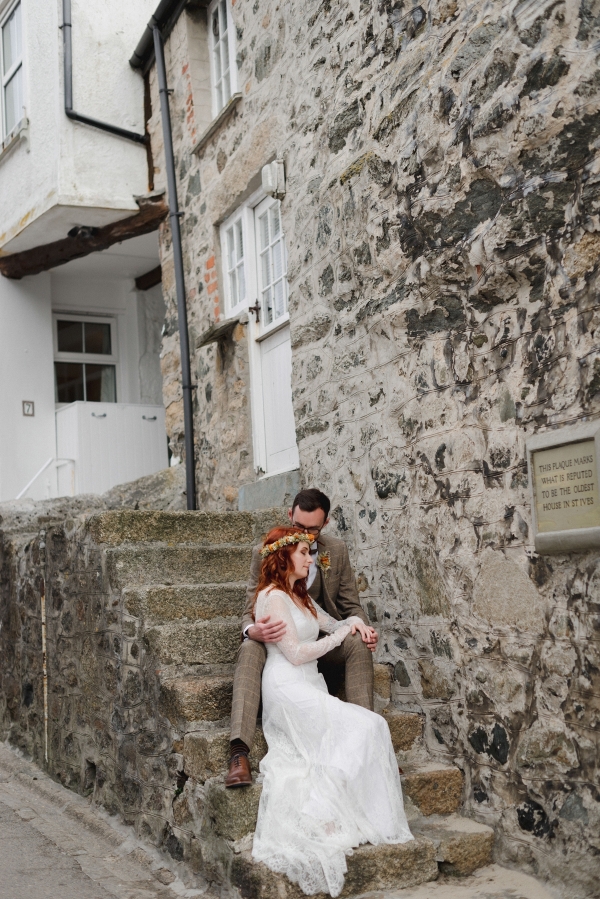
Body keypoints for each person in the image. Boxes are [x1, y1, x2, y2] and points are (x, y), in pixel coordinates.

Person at [250, 527, 413, 897]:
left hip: (309, 684)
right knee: (369, 726)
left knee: (369, 727)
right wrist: (341, 638)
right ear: (284, 557)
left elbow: (333, 622)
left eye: (310, 553)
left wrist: (356, 625)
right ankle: (318, 810)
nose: (310, 560)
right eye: (303, 553)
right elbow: (295, 653)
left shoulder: (300, 595)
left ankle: (328, 806)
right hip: (287, 687)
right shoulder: (273, 597)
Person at [226, 488, 376, 788]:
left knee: (358, 641)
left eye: (313, 530)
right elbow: (249, 609)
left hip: (319, 642)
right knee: (250, 648)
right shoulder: (267, 552)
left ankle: (367, 745)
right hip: (281, 645)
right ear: (289, 515)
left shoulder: (336, 551)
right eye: (298, 527)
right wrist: (251, 630)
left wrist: (361, 627)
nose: (305, 536)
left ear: (326, 523)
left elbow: (349, 607)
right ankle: (239, 752)